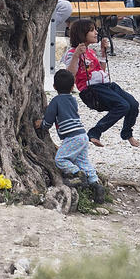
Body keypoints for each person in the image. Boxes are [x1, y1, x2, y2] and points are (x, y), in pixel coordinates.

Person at [61, 18, 140, 148]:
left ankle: (127, 133)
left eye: (95, 30)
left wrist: (103, 53)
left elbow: (100, 71)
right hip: (91, 90)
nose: (96, 33)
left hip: (106, 85)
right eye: (92, 30)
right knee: (122, 106)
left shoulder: (90, 51)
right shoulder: (72, 53)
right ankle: (95, 132)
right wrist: (76, 56)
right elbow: (70, 75)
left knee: (133, 104)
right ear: (82, 34)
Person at [35, 69, 106, 203]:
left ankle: (78, 176)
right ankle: (96, 184)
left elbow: (49, 121)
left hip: (72, 137)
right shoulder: (73, 100)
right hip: (82, 136)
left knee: (60, 159)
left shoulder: (55, 101)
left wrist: (42, 124)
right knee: (83, 161)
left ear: (54, 87)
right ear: (72, 87)